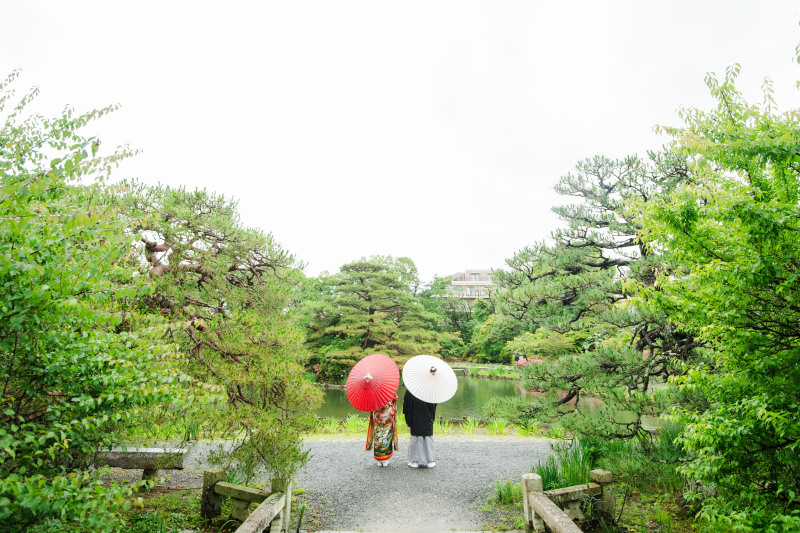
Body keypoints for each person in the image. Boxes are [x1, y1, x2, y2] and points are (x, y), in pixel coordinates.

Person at [402, 389, 437, 468]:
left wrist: (408, 418)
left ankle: (415, 461)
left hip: (415, 416)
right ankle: (430, 460)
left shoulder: (411, 388)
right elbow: (434, 405)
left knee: (415, 438)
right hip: (427, 416)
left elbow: (406, 405)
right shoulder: (430, 389)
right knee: (427, 438)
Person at [366, 394, 398, 466]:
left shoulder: (374, 396)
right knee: (385, 439)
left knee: (378, 439)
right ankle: (385, 459)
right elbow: (393, 410)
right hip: (387, 423)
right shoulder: (390, 396)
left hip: (377, 422)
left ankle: (379, 459)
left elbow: (372, 410)